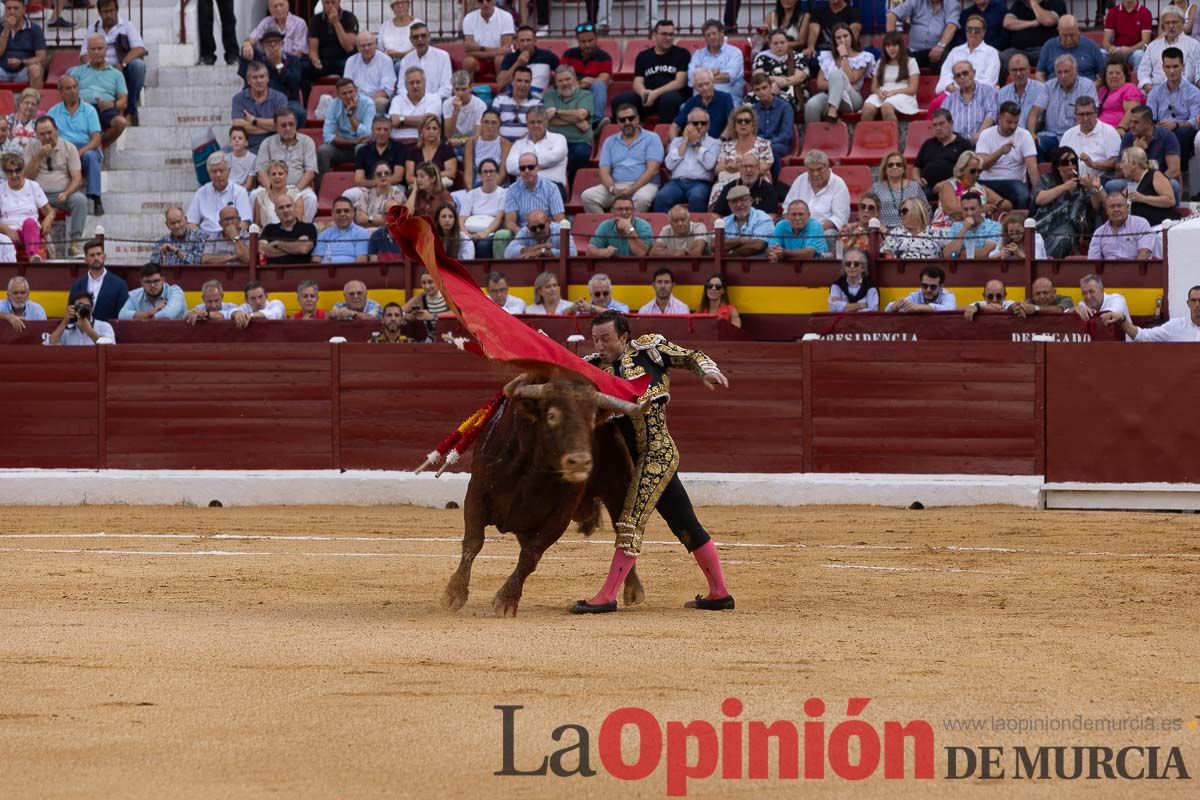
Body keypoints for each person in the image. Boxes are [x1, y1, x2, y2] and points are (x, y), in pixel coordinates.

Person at [571, 310, 733, 614]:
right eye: (595, 339)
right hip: (635, 460)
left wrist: (706, 371)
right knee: (684, 523)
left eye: (606, 338)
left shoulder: (650, 351)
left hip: (657, 454)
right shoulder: (593, 368)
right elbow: (560, 370)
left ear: (623, 336)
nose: (600, 345)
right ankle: (719, 592)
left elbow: (690, 355)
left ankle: (607, 596)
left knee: (630, 519)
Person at [23, 116, 87, 256]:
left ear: (56, 130)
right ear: (36, 135)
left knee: (80, 200)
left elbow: (77, 179)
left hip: (62, 194)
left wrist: (67, 193)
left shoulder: (69, 148)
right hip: (37, 196)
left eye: (49, 132)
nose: (46, 137)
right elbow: (26, 177)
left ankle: (75, 243)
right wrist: (39, 156)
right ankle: (36, 248)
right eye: (42, 134)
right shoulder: (31, 147)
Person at [581, 103, 662, 213]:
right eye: (623, 120)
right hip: (617, 186)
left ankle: (630, 228)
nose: (627, 122)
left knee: (641, 199)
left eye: (631, 118)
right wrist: (612, 189)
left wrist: (632, 189)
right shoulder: (610, 141)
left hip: (645, 185)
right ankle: (608, 227)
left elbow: (652, 170)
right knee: (588, 196)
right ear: (618, 122)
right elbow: (604, 171)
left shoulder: (652, 138)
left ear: (637, 119)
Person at [81, 0, 147, 125]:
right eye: (105, 12)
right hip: (99, 69)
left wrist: (123, 64)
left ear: (116, 10)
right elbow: (84, 55)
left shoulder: (127, 25)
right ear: (99, 13)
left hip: (121, 68)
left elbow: (140, 49)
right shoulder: (93, 28)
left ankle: (130, 112)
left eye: (111, 11)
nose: (109, 15)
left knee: (138, 65)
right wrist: (97, 66)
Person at [611, 19, 690, 123]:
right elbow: (637, 81)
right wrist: (643, 93)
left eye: (671, 34)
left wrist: (656, 93)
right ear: (654, 35)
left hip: (670, 96)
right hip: (648, 98)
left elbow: (680, 82)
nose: (668, 38)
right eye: (664, 34)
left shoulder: (682, 54)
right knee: (620, 101)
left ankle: (666, 135)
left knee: (670, 99)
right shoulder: (643, 56)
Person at [47, 75, 104, 216]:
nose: (72, 91)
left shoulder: (89, 110)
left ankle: (95, 198)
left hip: (85, 149)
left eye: (74, 87)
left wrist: (78, 153)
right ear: (60, 91)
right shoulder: (53, 112)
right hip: (62, 150)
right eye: (68, 88)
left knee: (91, 156)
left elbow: (96, 140)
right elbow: (48, 137)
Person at [1033, 145, 1102, 257]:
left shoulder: (1083, 183)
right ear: (1057, 166)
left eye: (1073, 161)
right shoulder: (1047, 179)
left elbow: (1096, 208)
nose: (1070, 165)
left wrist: (1091, 190)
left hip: (1072, 230)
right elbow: (1039, 199)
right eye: (1065, 162)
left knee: (1064, 235)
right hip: (1045, 226)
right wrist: (1064, 187)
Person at [253, 109, 317, 221]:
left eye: (291, 124)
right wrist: (272, 190)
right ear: (276, 127)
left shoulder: (307, 142)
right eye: (283, 125)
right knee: (255, 195)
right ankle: (260, 232)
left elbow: (310, 172)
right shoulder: (267, 143)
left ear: (296, 124)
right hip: (272, 186)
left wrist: (294, 191)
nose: (288, 128)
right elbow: (260, 172)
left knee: (311, 198)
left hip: (298, 187)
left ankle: (304, 231)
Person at [653, 108, 720, 213]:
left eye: (703, 123)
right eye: (695, 123)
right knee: (662, 197)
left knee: (696, 197)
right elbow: (669, 165)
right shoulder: (677, 141)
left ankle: (698, 228)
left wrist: (695, 144)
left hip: (700, 183)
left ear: (708, 125)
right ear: (688, 124)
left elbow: (709, 164)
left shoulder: (714, 143)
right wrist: (685, 141)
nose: (699, 126)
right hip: (677, 183)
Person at [805, 24, 874, 123]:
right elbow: (820, 84)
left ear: (851, 37)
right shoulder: (827, 57)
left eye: (845, 36)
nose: (842, 40)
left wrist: (844, 56)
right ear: (834, 41)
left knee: (837, 73)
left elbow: (851, 79)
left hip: (852, 97)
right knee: (811, 105)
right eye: (838, 38)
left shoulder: (863, 57)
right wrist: (837, 84)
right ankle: (814, 136)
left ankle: (832, 111)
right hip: (829, 96)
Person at [1146, 47, 1200, 174]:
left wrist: (1175, 125)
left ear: (1183, 67)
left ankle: (1177, 170)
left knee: (1181, 133)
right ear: (1163, 67)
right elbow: (1149, 118)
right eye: (1168, 67)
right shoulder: (1155, 92)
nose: (1171, 71)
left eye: (1175, 66)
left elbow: (1196, 121)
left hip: (1183, 131)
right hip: (1160, 130)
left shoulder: (1194, 93)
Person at [976, 101, 1039, 209]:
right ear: (999, 119)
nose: (1013, 126)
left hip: (1013, 181)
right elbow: (982, 165)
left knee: (1023, 195)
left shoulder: (1024, 135)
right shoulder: (986, 134)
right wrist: (1000, 152)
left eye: (1016, 122)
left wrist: (1038, 190)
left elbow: (1032, 167)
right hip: (987, 182)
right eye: (1009, 122)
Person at [71, 33, 130, 148]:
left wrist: (111, 104)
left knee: (121, 123)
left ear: (106, 49)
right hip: (83, 107)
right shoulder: (77, 72)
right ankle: (94, 144)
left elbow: (123, 102)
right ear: (87, 51)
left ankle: (99, 143)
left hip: (106, 109)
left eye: (100, 48)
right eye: (93, 49)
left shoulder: (117, 75)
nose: (96, 52)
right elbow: (68, 93)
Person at [239, 30, 305, 127]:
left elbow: (294, 84)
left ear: (282, 44)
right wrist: (246, 44)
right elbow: (245, 76)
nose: (273, 46)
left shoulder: (292, 60)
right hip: (258, 99)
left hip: (286, 101)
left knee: (299, 113)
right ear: (262, 46)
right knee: (244, 111)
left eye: (276, 42)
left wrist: (279, 65)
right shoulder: (257, 59)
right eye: (269, 43)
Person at [1112, 105, 1182, 197]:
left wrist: (1149, 183)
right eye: (1130, 122)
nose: (1131, 126)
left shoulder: (1167, 136)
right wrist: (1135, 151)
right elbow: (1119, 167)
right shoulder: (1129, 137)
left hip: (1160, 179)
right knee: (1112, 185)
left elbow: (1174, 170)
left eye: (1136, 122)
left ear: (1149, 123)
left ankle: (1170, 211)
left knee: (1173, 185)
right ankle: (1130, 210)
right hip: (1133, 180)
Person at [1039, 54, 1097, 156]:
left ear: (1075, 71)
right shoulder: (1048, 86)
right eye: (1059, 72)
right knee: (1033, 144)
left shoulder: (1087, 85)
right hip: (1051, 136)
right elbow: (1035, 111)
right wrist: (1031, 133)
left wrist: (1069, 136)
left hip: (1076, 135)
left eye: (1066, 71)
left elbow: (1088, 114)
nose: (1063, 76)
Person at [543, 66, 592, 185]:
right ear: (556, 82)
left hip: (578, 141)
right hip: (553, 142)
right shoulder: (550, 95)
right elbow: (547, 120)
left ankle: (573, 185)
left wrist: (557, 112)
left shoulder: (585, 95)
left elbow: (581, 114)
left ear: (574, 78)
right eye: (560, 81)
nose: (565, 83)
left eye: (568, 79)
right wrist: (576, 121)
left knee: (582, 153)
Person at [781, 149, 850, 233]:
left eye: (819, 169)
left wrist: (813, 230)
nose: (815, 174)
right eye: (811, 170)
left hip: (822, 231)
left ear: (828, 167)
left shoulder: (839, 185)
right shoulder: (800, 180)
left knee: (829, 234)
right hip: (796, 228)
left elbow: (839, 218)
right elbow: (786, 209)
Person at [0, 152, 51, 261]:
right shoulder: (1, 189)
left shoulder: (33, 186)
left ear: (23, 170)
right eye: (10, 171)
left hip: (29, 231)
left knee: (30, 223)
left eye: (17, 171)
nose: (14, 175)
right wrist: (7, 230)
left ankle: (33, 256)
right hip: (8, 233)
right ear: (5, 173)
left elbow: (50, 211)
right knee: (4, 240)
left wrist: (49, 219)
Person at [934, 150, 1009, 224]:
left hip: (975, 229)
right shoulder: (948, 185)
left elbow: (1006, 204)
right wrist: (981, 209)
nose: (977, 174)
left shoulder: (981, 188)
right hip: (946, 227)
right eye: (973, 171)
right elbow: (952, 210)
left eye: (979, 171)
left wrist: (999, 205)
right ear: (962, 169)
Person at [914, 108, 973, 200]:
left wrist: (947, 183)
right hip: (927, 187)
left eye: (942, 124)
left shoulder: (963, 144)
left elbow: (969, 172)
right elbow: (916, 167)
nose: (938, 128)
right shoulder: (928, 144)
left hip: (954, 188)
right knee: (913, 202)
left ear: (951, 123)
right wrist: (917, 179)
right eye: (935, 125)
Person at [1136, 7, 1199, 93]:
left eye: (1175, 22)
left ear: (1183, 23)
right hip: (1155, 91)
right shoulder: (1153, 46)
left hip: (1185, 92)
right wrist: (1150, 89)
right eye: (1167, 23)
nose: (1171, 26)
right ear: (1162, 26)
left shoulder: (1194, 45)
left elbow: (1198, 75)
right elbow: (1143, 72)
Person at [1060, 96, 1121, 181]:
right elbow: (1060, 160)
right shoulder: (1068, 134)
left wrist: (1092, 164)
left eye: (1088, 114)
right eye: (1081, 114)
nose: (1085, 118)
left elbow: (1115, 162)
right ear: (1075, 115)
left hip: (1099, 179)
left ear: (1096, 112)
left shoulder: (1109, 132)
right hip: (1072, 179)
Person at [317, 78, 371, 174]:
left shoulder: (368, 104)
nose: (349, 96)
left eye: (351, 92)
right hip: (341, 147)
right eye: (344, 94)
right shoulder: (333, 105)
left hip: (361, 145)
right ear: (338, 95)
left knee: (361, 148)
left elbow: (366, 134)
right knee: (322, 150)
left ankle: (363, 183)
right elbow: (328, 136)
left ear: (356, 91)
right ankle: (322, 186)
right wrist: (353, 142)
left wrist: (350, 115)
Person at [862, 32, 919, 122]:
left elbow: (913, 89)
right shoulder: (880, 62)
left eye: (894, 45)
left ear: (900, 46)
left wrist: (894, 92)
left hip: (904, 94)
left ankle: (892, 135)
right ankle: (867, 135)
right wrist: (878, 92)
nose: (891, 49)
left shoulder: (911, 62)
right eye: (888, 46)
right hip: (883, 94)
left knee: (886, 106)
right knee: (867, 107)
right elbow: (873, 87)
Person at [886, 0, 959, 71]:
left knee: (946, 58)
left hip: (938, 50)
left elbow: (952, 26)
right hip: (915, 51)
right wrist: (892, 41)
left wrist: (940, 46)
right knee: (896, 57)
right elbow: (891, 16)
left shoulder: (952, 3)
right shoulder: (915, 1)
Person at [1118, 146, 1180, 228]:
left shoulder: (1155, 175)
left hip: (1162, 227)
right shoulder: (1132, 184)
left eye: (1123, 162)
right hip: (1140, 230)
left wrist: (1143, 198)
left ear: (1134, 164)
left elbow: (1170, 200)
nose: (1120, 166)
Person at [505, 107, 566, 191]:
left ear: (546, 123)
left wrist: (524, 167)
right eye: (532, 122)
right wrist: (541, 166)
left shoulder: (559, 139)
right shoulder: (518, 144)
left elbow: (554, 157)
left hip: (552, 186)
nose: (536, 125)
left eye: (539, 122)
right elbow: (511, 168)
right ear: (527, 124)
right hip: (523, 187)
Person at [937, 15, 1000, 95]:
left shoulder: (991, 53)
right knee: (935, 105)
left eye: (976, 30)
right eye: (969, 29)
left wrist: (966, 90)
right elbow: (945, 74)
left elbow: (989, 80)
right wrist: (951, 88)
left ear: (983, 32)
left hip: (979, 95)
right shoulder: (955, 51)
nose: (972, 32)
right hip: (953, 93)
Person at [1109, 285, 1200, 341]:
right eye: (1193, 300)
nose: (1197, 305)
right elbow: (1144, 336)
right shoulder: (1175, 326)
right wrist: (1123, 320)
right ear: (1188, 303)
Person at [561, 23, 612, 122]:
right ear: (578, 41)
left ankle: (595, 122)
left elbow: (604, 79)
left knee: (599, 86)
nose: (587, 45)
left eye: (590, 41)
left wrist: (586, 83)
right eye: (583, 42)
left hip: (591, 93)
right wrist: (581, 84)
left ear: (596, 39)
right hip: (571, 91)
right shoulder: (568, 55)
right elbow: (561, 76)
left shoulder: (604, 57)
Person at [503, 152, 565, 234]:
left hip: (546, 233)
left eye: (531, 167)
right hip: (523, 233)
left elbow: (559, 220)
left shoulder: (551, 188)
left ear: (537, 168)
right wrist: (522, 235)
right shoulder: (512, 190)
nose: (527, 171)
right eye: (522, 168)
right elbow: (510, 222)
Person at [752, 28, 808, 117]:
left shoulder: (797, 56)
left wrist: (780, 83)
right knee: (749, 102)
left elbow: (799, 77)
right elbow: (758, 77)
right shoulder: (762, 57)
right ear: (769, 44)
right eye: (776, 43)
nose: (780, 46)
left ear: (787, 43)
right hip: (765, 90)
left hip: (791, 92)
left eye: (782, 42)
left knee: (781, 102)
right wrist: (773, 83)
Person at [231, 60, 286, 151]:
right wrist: (272, 127)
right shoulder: (238, 99)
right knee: (220, 155)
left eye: (262, 77)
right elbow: (238, 126)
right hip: (246, 146)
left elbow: (281, 124)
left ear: (267, 78)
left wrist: (254, 120)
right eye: (255, 77)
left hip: (273, 147)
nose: (259, 81)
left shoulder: (280, 98)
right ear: (248, 81)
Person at [67, 239, 127, 322]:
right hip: (81, 333)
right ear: (85, 260)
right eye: (92, 255)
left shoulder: (119, 285)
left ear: (104, 256)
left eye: (98, 254)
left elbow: (122, 317)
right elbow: (71, 315)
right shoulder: (77, 286)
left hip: (109, 333)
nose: (96, 258)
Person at [459, 158, 506, 259]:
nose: (488, 175)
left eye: (491, 171)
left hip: (491, 231)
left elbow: (499, 218)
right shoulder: (471, 194)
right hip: (470, 231)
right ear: (480, 175)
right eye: (485, 172)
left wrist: (485, 233)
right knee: (461, 241)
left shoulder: (504, 194)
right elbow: (461, 219)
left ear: (497, 174)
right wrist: (467, 235)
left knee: (483, 245)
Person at [941, 60, 998, 143]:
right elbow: (942, 122)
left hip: (982, 140)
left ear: (973, 73)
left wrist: (980, 134)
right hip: (956, 143)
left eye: (965, 73)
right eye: (958, 75)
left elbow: (991, 113)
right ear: (955, 79)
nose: (962, 77)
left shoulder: (987, 91)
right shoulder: (948, 100)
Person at [669, 68, 733, 141]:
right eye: (700, 85)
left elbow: (731, 124)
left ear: (713, 83)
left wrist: (720, 141)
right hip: (695, 144)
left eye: (707, 83)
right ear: (695, 88)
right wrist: (675, 144)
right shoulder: (692, 101)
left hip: (719, 143)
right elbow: (675, 126)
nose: (704, 88)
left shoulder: (725, 98)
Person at [689, 19, 744, 103]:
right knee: (683, 108)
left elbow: (729, 77)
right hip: (701, 99)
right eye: (708, 35)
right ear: (705, 38)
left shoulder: (735, 53)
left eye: (714, 33)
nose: (712, 37)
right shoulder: (698, 55)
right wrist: (716, 73)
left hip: (727, 99)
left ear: (721, 33)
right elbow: (692, 77)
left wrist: (702, 75)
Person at [999, 0, 1065, 70]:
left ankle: (1043, 78)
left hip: (1043, 49)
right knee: (1003, 57)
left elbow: (1048, 20)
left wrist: (1033, 3)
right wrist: (1033, 23)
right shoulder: (1019, 3)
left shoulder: (1056, 3)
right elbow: (1007, 23)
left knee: (1055, 58)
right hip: (1019, 50)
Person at [1088, 192, 1155, 260]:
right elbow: (1093, 260)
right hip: (1109, 269)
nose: (1116, 209)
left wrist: (1133, 270)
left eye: (1119, 206)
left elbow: (1144, 254)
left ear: (1127, 207)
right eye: (1112, 206)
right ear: (1106, 210)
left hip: (1135, 268)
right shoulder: (1099, 232)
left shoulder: (1141, 224)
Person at [711, 151, 781, 217]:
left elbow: (772, 216)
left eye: (751, 166)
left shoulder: (768, 190)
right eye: (745, 166)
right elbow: (716, 214)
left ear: (758, 169)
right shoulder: (729, 188)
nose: (748, 170)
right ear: (740, 169)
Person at [749, 72, 792, 177]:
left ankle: (777, 183)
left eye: (764, 88)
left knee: (773, 149)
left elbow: (786, 134)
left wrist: (766, 144)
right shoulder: (754, 110)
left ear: (771, 87)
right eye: (757, 90)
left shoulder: (784, 107)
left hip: (779, 145)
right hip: (759, 144)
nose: (762, 92)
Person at [1036, 15, 1104, 81]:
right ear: (1058, 31)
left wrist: (1092, 88)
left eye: (1072, 35)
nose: (1069, 39)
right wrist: (1046, 89)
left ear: (1078, 30)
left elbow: (1103, 75)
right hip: (1055, 90)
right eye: (1065, 35)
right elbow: (1039, 74)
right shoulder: (1049, 46)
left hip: (1085, 90)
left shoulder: (1091, 46)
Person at [870, 151, 927, 229]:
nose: (894, 167)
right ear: (885, 169)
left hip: (909, 230)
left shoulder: (914, 186)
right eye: (890, 165)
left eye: (898, 165)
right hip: (883, 231)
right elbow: (869, 211)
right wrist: (879, 227)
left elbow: (926, 210)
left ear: (903, 169)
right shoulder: (876, 188)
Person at [344, 32, 396, 115]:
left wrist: (366, 102)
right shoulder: (351, 61)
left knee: (381, 102)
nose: (366, 48)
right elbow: (346, 86)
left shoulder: (385, 60)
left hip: (377, 99)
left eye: (369, 44)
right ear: (357, 48)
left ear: (376, 44)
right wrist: (356, 101)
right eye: (363, 46)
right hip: (356, 99)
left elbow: (387, 90)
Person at [497, 25, 559, 94]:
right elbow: (501, 84)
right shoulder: (510, 57)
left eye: (528, 40)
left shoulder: (547, 56)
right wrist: (518, 63)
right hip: (514, 96)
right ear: (516, 42)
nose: (525, 44)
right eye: (522, 40)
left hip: (538, 98)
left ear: (535, 40)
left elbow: (563, 72)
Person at [398, 22, 452, 101]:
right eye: (416, 37)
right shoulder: (406, 60)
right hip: (412, 102)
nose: (420, 39)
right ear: (411, 40)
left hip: (436, 101)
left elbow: (447, 88)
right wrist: (411, 99)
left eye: (423, 36)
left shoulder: (442, 56)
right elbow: (401, 87)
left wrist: (427, 100)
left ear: (429, 37)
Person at [306, 0, 358, 81]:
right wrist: (315, 60)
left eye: (333, 2)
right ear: (322, 3)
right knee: (305, 67)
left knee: (348, 66)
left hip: (344, 59)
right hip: (324, 61)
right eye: (327, 3)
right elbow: (313, 50)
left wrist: (336, 23)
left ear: (339, 2)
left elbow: (349, 47)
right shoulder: (315, 20)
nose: (330, 5)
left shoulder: (349, 18)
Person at [389, 66, 443, 144]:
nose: (415, 86)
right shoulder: (397, 99)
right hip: (398, 144)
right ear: (405, 85)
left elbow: (428, 122)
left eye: (418, 82)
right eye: (411, 83)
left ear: (424, 83)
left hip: (422, 143)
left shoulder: (434, 99)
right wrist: (420, 123)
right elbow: (394, 121)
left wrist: (402, 120)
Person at [461, 0, 514, 79]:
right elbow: (469, 51)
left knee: (500, 59)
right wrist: (495, 50)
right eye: (481, 1)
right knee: (468, 62)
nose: (485, 3)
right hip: (480, 60)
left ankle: (503, 90)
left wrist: (479, 49)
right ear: (477, 2)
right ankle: (468, 91)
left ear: (494, 1)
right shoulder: (469, 18)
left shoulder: (506, 16)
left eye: (488, 0)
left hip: (499, 58)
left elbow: (506, 50)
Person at [586, 196, 653, 258]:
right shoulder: (605, 225)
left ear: (633, 211)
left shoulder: (644, 226)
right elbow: (589, 252)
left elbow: (642, 253)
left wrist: (628, 228)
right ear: (612, 211)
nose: (624, 212)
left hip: (639, 267)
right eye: (619, 209)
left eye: (627, 209)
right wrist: (602, 252)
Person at [941, 191, 1002, 258]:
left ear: (981, 208)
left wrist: (961, 253)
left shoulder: (994, 226)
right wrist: (964, 229)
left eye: (972, 209)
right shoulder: (956, 227)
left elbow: (985, 253)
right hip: (961, 267)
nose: (969, 213)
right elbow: (948, 255)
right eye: (965, 209)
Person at [0, 0, 46, 89]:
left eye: (16, 8)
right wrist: (6, 29)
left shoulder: (35, 29)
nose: (12, 12)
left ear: (24, 10)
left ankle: (34, 100)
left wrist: (21, 62)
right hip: (2, 70)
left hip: (24, 71)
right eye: (8, 8)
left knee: (36, 69)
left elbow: (41, 58)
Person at [406, 113, 457, 190]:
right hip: (419, 187)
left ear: (439, 131)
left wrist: (430, 178)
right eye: (428, 128)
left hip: (440, 186)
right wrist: (425, 181)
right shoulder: (413, 151)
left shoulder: (446, 149)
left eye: (434, 128)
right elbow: (409, 177)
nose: (431, 131)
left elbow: (451, 173)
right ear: (421, 131)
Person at [998, 53, 1047, 134]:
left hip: (1034, 134)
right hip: (1009, 134)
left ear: (1029, 70)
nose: (1018, 74)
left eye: (1021, 69)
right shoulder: (1002, 93)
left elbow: (1042, 120)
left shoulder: (1041, 89)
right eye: (1014, 70)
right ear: (1009, 72)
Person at [47, 288, 114, 346]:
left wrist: (90, 331)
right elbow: (51, 344)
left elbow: (111, 349)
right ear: (73, 308)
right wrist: (64, 322)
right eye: (80, 306)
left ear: (92, 308)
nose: (83, 309)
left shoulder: (104, 326)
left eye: (86, 307)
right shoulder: (67, 328)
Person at [260, 195, 317, 264]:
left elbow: (303, 249)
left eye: (288, 206)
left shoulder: (308, 227)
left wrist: (277, 243)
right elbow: (261, 249)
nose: (285, 210)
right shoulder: (269, 229)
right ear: (275, 212)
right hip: (273, 272)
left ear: (295, 207)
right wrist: (295, 249)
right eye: (281, 208)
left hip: (300, 272)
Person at [118, 264, 186, 320]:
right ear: (141, 282)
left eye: (156, 281)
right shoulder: (135, 295)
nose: (152, 285)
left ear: (163, 280)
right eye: (148, 282)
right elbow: (122, 315)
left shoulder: (175, 292)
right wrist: (148, 313)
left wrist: (146, 317)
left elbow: (167, 315)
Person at [721, 184, 773, 257]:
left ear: (750, 200)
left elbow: (757, 245)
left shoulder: (763, 218)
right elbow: (714, 245)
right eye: (734, 201)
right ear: (729, 205)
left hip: (755, 264)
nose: (739, 204)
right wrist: (741, 240)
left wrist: (730, 253)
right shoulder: (724, 221)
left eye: (743, 200)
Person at [463, 109, 510, 188]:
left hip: (497, 185)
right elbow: (468, 171)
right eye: (486, 122)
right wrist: (470, 190)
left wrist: (490, 189)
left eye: (493, 123)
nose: (489, 126)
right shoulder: (471, 143)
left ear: (499, 124)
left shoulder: (504, 143)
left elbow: (503, 172)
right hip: (476, 184)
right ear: (481, 123)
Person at [493, 65, 541, 142]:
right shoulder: (500, 99)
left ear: (530, 83)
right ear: (512, 82)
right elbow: (492, 124)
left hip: (526, 144)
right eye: (519, 80)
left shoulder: (537, 102)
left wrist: (519, 143)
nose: (522, 85)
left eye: (526, 81)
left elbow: (536, 128)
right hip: (501, 143)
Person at [1102, 0, 1153, 73]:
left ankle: (1136, 82)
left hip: (1135, 50)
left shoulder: (1145, 13)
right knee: (1101, 53)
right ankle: (1104, 81)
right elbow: (1105, 41)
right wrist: (1110, 48)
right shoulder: (1112, 12)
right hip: (1117, 50)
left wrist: (1130, 49)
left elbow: (1146, 41)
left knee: (1140, 55)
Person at [503, 209, 575, 259]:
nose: (538, 230)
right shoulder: (525, 231)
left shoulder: (559, 229)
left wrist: (542, 252)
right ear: (528, 227)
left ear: (549, 222)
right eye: (533, 228)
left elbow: (573, 253)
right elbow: (508, 253)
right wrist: (541, 247)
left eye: (541, 226)